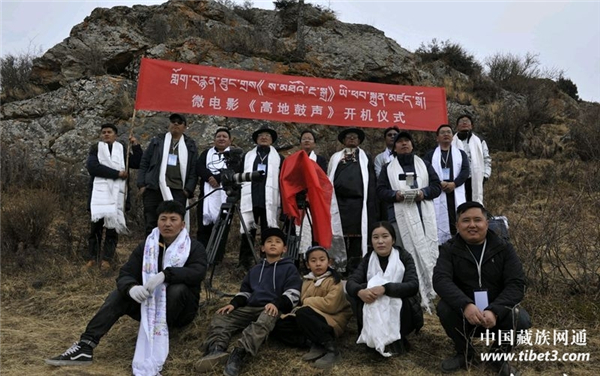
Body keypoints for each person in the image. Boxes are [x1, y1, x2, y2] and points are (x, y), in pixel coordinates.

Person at [46, 201, 208, 376]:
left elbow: (197, 272)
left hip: (180, 311)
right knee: (118, 295)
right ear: (157, 221)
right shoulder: (148, 246)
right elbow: (126, 273)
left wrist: (167, 275)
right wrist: (131, 288)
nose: (167, 224)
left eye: (173, 219)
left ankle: (159, 335)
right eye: (163, 219)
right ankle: (85, 346)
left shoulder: (194, 246)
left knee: (178, 289)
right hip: (149, 307)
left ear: (182, 224)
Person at [433, 201, 531, 375]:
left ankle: (498, 357)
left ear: (486, 223)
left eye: (477, 220)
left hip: (496, 316)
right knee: (444, 308)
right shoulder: (448, 249)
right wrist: (465, 305)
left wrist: (495, 310)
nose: (472, 225)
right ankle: (465, 353)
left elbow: (516, 284)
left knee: (521, 318)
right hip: (465, 316)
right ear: (457, 225)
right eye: (465, 220)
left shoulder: (504, 248)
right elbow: (441, 280)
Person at [196, 227, 302, 376]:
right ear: (262, 248)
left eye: (278, 242)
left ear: (284, 248)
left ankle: (239, 353)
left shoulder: (290, 268)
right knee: (222, 315)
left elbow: (293, 293)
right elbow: (245, 291)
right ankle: (216, 349)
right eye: (269, 241)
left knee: (266, 317)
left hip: (272, 309)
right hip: (251, 307)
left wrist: (277, 304)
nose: (273, 244)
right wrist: (233, 304)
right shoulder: (255, 269)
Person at [377, 130, 441, 312]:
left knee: (429, 251)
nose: (404, 144)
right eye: (400, 142)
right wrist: (395, 195)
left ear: (412, 145)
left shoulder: (424, 165)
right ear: (394, 147)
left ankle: (434, 292)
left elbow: (436, 187)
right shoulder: (387, 168)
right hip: (400, 218)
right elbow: (380, 191)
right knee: (408, 255)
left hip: (424, 216)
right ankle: (416, 294)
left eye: (407, 141)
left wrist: (423, 193)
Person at [346, 222, 423, 357]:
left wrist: (385, 289)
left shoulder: (404, 256)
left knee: (391, 297)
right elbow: (351, 282)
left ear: (393, 239)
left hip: (400, 304)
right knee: (360, 294)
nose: (380, 241)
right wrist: (360, 291)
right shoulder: (368, 258)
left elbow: (413, 285)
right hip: (372, 301)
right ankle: (372, 339)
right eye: (375, 237)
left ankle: (396, 339)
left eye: (385, 236)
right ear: (371, 241)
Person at [272, 245, 352, 369]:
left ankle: (331, 349)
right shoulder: (307, 281)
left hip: (332, 320)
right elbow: (299, 303)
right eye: (313, 261)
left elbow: (331, 305)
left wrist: (307, 301)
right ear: (308, 265)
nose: (318, 264)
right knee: (280, 325)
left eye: (322, 260)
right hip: (311, 317)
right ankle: (313, 343)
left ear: (329, 262)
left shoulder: (334, 281)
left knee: (304, 313)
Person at [85, 123, 143, 270]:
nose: (106, 134)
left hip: (117, 195)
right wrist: (116, 174)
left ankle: (107, 259)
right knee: (95, 228)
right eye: (103, 132)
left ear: (115, 135)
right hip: (99, 195)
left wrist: (135, 146)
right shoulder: (96, 149)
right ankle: (92, 258)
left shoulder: (122, 149)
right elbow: (93, 167)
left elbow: (136, 163)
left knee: (112, 228)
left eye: (109, 132)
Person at [137, 113, 198, 235]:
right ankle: (153, 252)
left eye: (179, 122)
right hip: (154, 189)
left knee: (175, 225)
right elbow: (144, 163)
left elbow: (193, 169)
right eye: (173, 121)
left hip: (178, 190)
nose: (175, 124)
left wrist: (188, 190)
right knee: (152, 224)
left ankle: (173, 253)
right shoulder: (157, 141)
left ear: (184, 127)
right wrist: (142, 184)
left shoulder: (189, 145)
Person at [328, 127, 378, 274]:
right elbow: (329, 177)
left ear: (359, 141)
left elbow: (371, 181)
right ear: (343, 140)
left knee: (357, 239)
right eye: (348, 137)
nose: (351, 139)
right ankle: (339, 266)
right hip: (338, 203)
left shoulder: (365, 157)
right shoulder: (335, 157)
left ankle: (354, 268)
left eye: (354, 137)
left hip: (358, 204)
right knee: (338, 235)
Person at [238, 125, 284, 270]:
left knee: (268, 231)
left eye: (267, 136)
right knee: (247, 231)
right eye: (261, 136)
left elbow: (283, 180)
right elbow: (240, 175)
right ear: (256, 139)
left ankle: (267, 261)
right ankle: (244, 262)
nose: (264, 137)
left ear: (272, 140)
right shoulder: (247, 156)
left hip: (269, 200)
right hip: (250, 198)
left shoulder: (279, 158)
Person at [424, 124, 470, 245]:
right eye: (442, 132)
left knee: (456, 216)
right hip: (438, 192)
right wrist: (439, 183)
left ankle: (459, 242)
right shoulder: (430, 155)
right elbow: (426, 172)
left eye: (449, 132)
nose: (446, 134)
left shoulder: (461, 154)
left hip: (455, 191)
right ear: (437, 138)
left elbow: (465, 171)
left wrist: (454, 184)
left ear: (452, 137)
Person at [196, 127, 233, 248]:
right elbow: (199, 167)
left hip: (225, 196)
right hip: (206, 195)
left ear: (230, 141)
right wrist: (209, 177)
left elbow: (234, 170)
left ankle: (216, 258)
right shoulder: (206, 153)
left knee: (222, 229)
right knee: (203, 228)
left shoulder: (234, 155)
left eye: (224, 137)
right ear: (214, 140)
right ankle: (201, 255)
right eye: (219, 136)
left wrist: (218, 178)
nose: (221, 139)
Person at [451, 114, 491, 204]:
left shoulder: (479, 141)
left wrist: (485, 175)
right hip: (457, 178)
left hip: (475, 177)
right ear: (457, 126)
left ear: (472, 125)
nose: (464, 123)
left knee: (474, 202)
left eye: (467, 121)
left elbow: (486, 159)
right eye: (461, 121)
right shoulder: (451, 142)